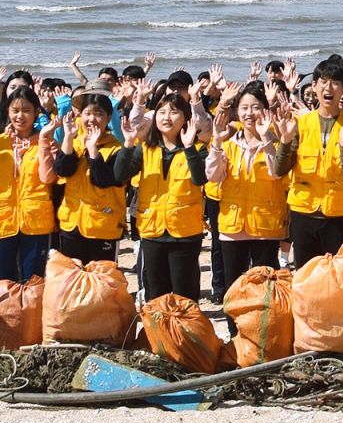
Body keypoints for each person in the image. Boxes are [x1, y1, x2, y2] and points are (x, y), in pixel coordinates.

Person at [276, 59, 343, 267]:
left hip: (341, 215)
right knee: (307, 275)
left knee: (340, 276)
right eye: (323, 82)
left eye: (335, 83)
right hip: (304, 213)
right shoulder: (300, 124)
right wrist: (284, 141)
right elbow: (280, 169)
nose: (328, 88)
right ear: (314, 86)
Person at [116, 94, 207, 301]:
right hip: (152, 229)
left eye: (174, 112)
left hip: (185, 232)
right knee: (156, 293)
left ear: (186, 119)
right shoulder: (145, 149)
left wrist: (189, 147)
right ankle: (159, 334)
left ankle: (185, 333)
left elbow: (200, 178)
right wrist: (129, 143)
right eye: (162, 112)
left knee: (185, 293)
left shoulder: (198, 149)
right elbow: (119, 176)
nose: (167, 117)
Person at [205, 82, 289, 289]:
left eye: (255, 107)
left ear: (265, 110)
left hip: (266, 226)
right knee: (234, 288)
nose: (249, 113)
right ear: (236, 112)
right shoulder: (228, 144)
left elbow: (276, 174)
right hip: (232, 227)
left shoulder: (278, 143)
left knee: (265, 289)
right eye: (244, 108)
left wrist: (266, 140)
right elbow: (213, 176)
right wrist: (216, 142)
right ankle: (234, 323)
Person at [53, 91, 128, 262]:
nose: (91, 119)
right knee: (74, 277)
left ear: (109, 118)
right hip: (72, 222)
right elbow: (63, 170)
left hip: (103, 225)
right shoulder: (75, 142)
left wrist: (93, 150)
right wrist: (69, 138)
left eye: (98, 114)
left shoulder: (117, 148)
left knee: (102, 281)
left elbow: (103, 180)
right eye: (87, 113)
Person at [0, 86, 57, 280]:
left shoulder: (46, 142)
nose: (20, 116)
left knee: (33, 281)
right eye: (15, 111)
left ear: (36, 112)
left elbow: (48, 178)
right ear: (7, 112)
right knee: (4, 282)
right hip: (3, 220)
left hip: (36, 221)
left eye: (26, 110)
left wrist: (42, 142)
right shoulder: (1, 143)